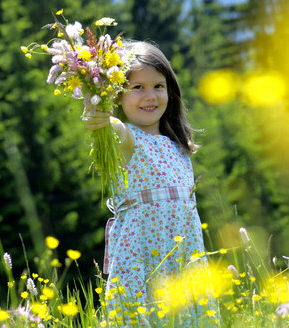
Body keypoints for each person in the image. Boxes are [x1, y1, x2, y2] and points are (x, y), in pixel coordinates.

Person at [83, 41, 218, 327]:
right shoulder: (128, 139)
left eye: (159, 86)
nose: (150, 96)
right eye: (137, 88)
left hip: (184, 262)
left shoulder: (178, 147)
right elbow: (112, 128)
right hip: (142, 261)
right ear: (117, 95)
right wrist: (97, 107)